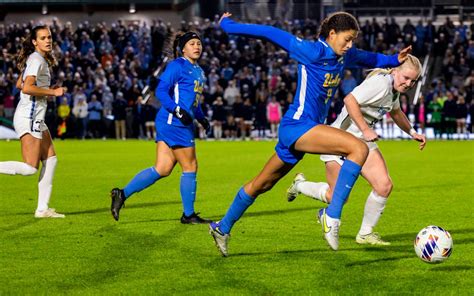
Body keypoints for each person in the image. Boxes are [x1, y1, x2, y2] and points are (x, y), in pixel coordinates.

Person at [209, 12, 412, 256]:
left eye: (353, 41)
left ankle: (222, 227)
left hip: (305, 131)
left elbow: (369, 57)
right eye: (347, 39)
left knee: (261, 184)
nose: (350, 45)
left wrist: (393, 58)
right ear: (332, 34)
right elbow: (270, 33)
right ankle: (331, 216)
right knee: (358, 148)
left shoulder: (343, 57)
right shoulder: (312, 51)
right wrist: (228, 25)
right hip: (299, 126)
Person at [287, 55, 426, 246]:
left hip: (362, 141)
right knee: (336, 198)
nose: (409, 83)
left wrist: (412, 131)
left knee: (384, 185)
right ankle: (300, 185)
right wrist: (366, 129)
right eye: (406, 78)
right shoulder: (380, 84)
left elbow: (396, 112)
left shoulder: (393, 91)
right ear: (395, 70)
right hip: (339, 141)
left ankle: (365, 233)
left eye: (413, 80)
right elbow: (349, 100)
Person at [110, 31, 211, 224]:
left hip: (175, 122)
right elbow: (161, 92)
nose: (196, 46)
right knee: (190, 166)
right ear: (183, 48)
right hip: (175, 123)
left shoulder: (198, 71)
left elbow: (193, 102)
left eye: (198, 43)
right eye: (192, 43)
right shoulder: (177, 66)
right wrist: (176, 110)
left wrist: (202, 118)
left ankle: (121, 194)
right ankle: (188, 215)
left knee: (163, 168)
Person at [0, 25, 67, 218]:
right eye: (43, 38)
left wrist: (45, 88)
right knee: (30, 168)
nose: (48, 40)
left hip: (35, 117)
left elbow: (19, 83)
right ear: (34, 42)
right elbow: (27, 88)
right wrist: (52, 92)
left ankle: (42, 209)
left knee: (51, 159)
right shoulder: (37, 59)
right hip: (28, 117)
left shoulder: (37, 59)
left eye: (49, 37)